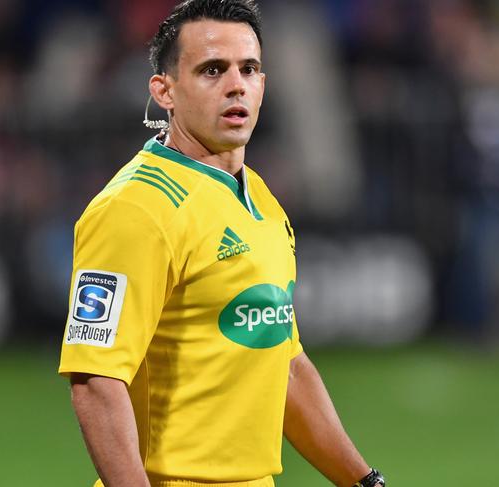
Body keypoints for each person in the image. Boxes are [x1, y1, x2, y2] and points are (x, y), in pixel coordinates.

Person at [58, 1, 385, 486]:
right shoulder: (135, 210)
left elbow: (285, 362)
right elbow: (96, 381)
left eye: (248, 69)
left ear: (263, 85)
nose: (236, 84)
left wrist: (364, 482)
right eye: (212, 70)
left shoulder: (262, 199)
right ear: (164, 90)